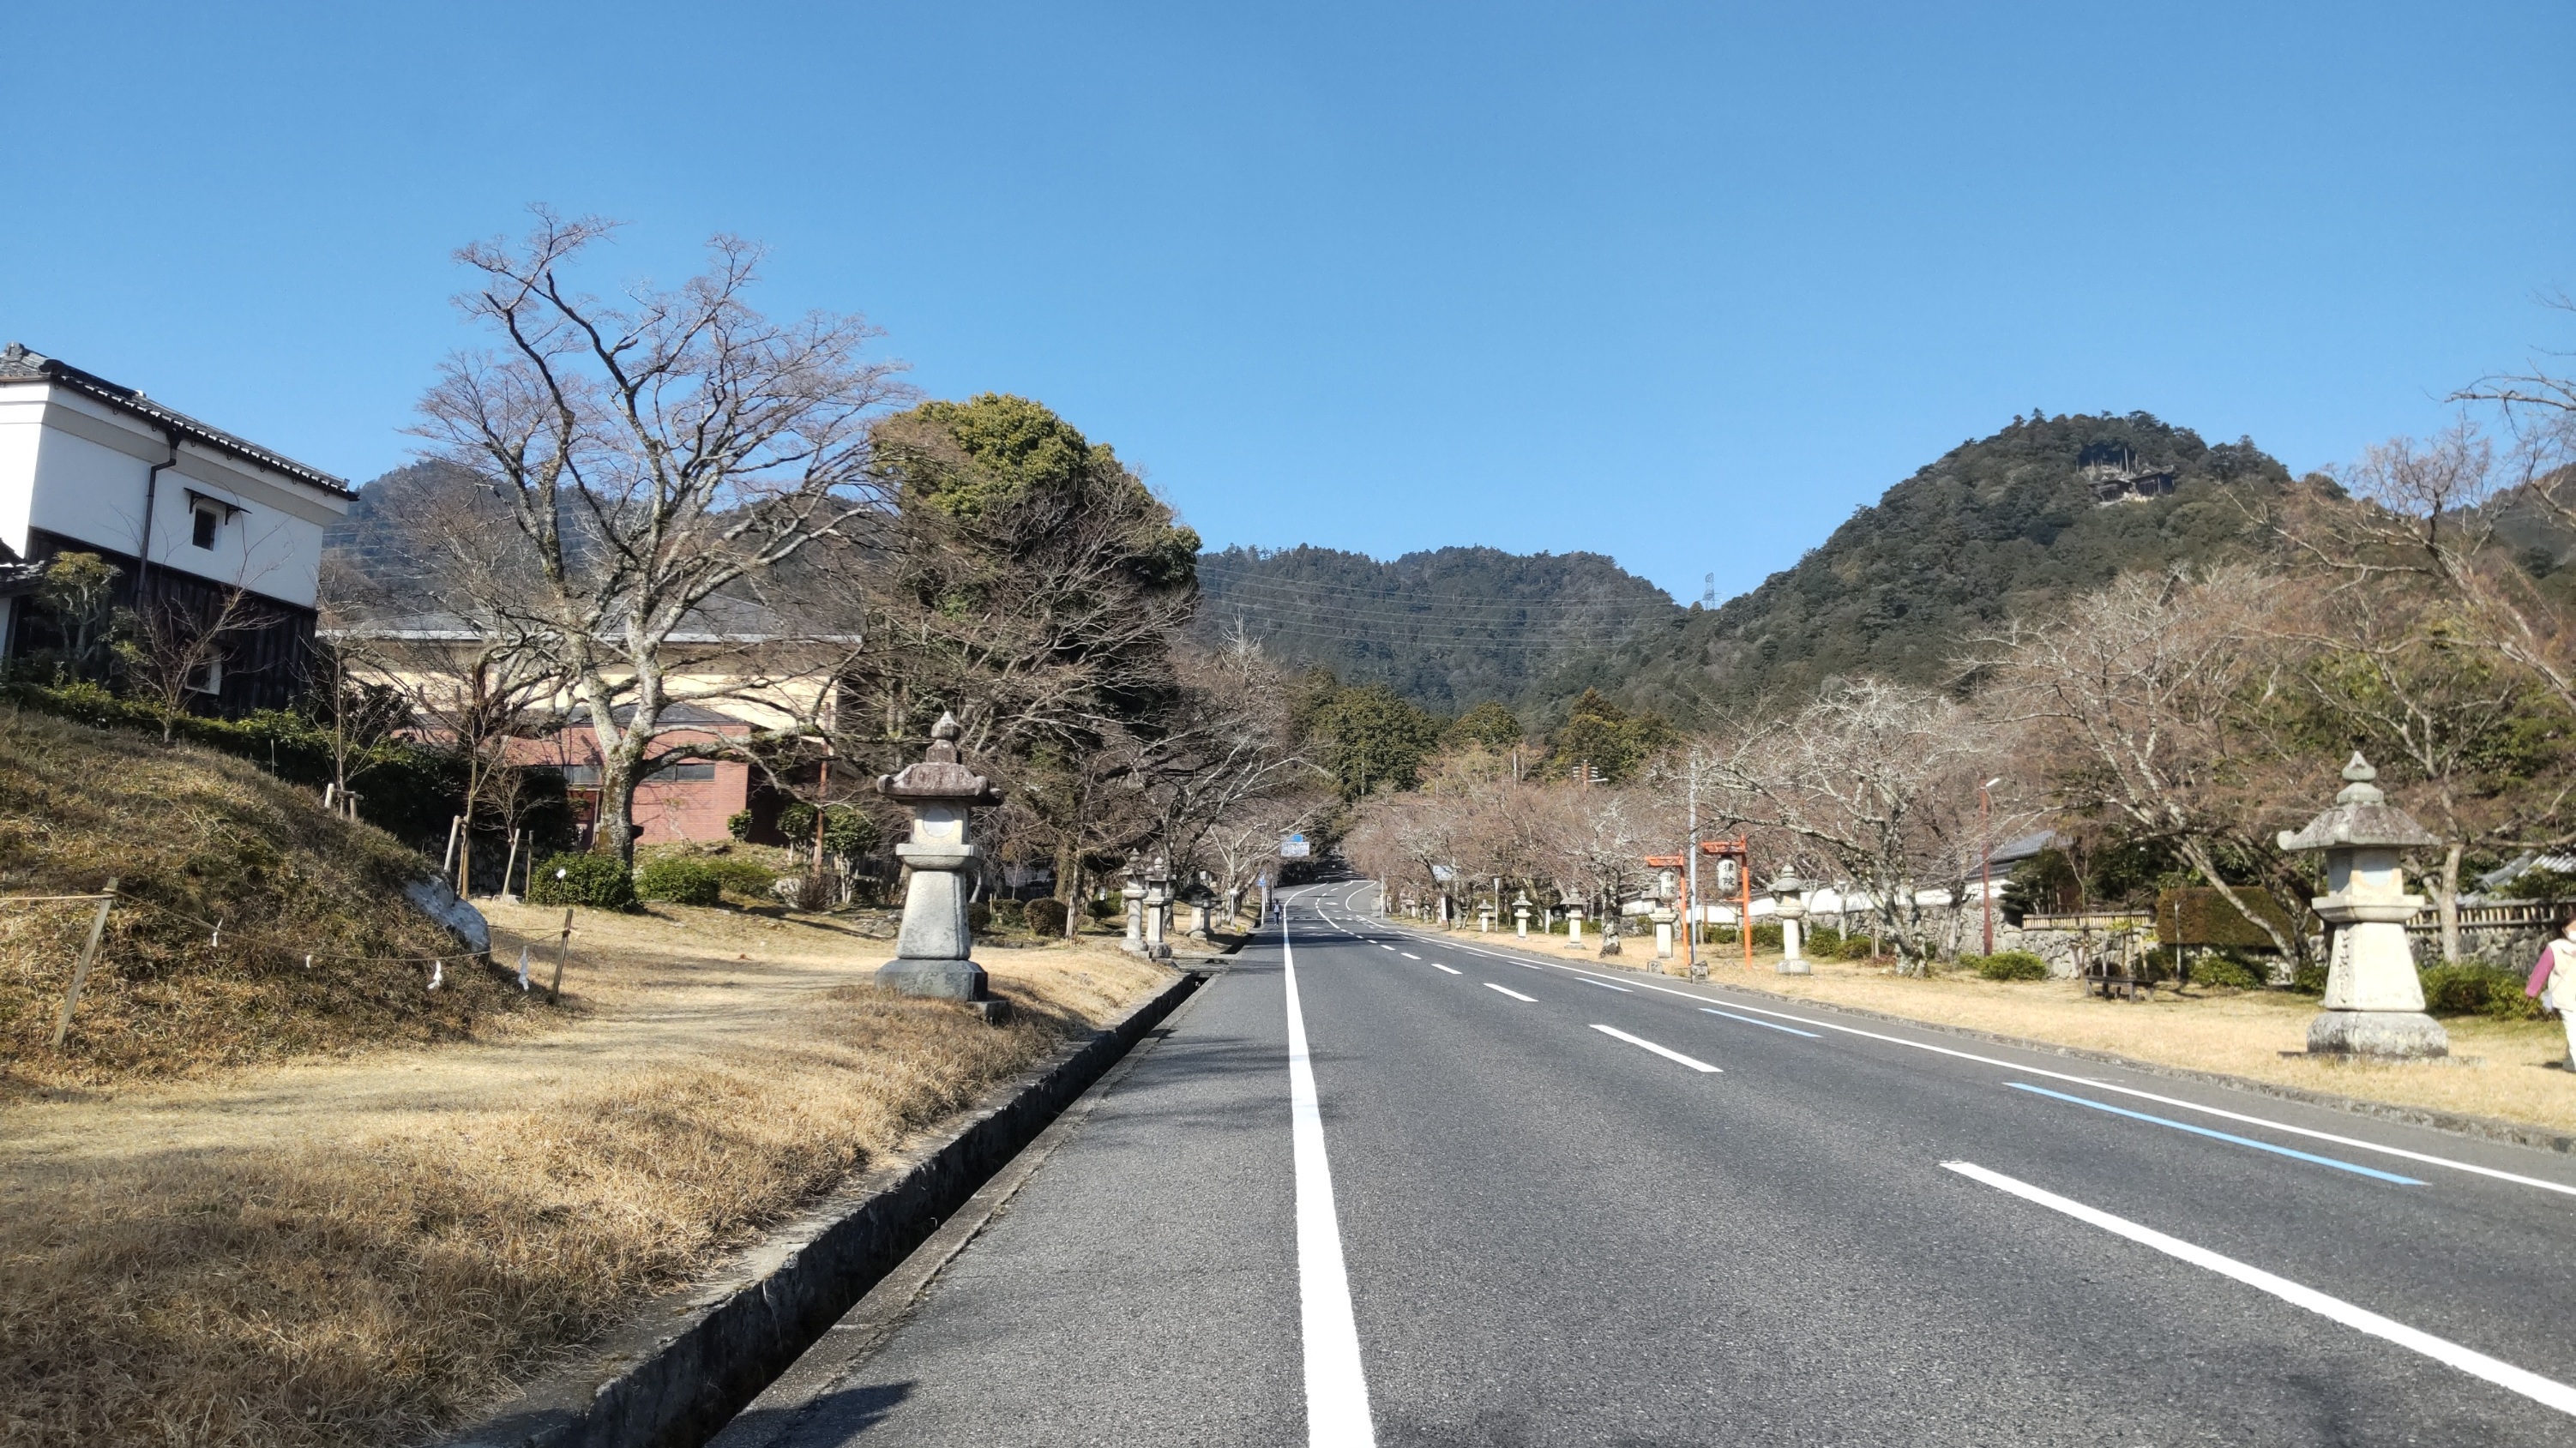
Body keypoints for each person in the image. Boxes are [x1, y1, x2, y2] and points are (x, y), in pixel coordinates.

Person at [2525, 911, 2576, 1070]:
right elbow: (2541, 970)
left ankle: (2569, 1063)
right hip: (2564, 997)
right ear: (2564, 929)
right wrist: (2531, 991)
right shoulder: (2555, 948)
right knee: (2573, 1031)